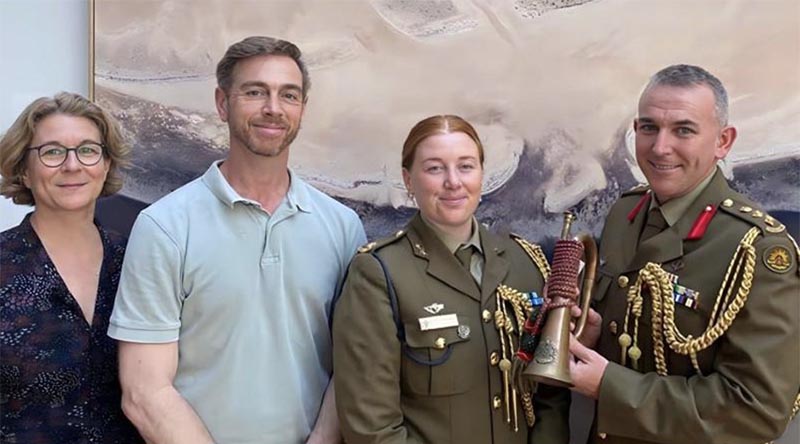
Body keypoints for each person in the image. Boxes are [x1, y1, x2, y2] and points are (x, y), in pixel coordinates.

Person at [108, 36, 366, 444]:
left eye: (289, 95)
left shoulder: (343, 227)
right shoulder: (164, 226)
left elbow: (354, 364)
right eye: (254, 92)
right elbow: (144, 391)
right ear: (222, 103)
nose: (273, 108)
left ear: (301, 108)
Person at [568, 64, 800, 443]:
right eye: (648, 128)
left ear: (723, 141)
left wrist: (610, 386)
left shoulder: (756, 249)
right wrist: (595, 334)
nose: (660, 147)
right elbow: (640, 342)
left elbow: (757, 410)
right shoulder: (625, 215)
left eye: (684, 130)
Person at [333, 115, 570, 444]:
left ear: (482, 175)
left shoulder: (525, 263)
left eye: (466, 166)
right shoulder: (379, 273)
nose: (453, 182)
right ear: (408, 180)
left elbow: (549, 397)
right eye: (434, 168)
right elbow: (372, 425)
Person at [0, 92, 142, 443]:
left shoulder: (139, 260)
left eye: (88, 150)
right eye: (51, 152)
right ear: (24, 171)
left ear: (106, 165)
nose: (72, 165)